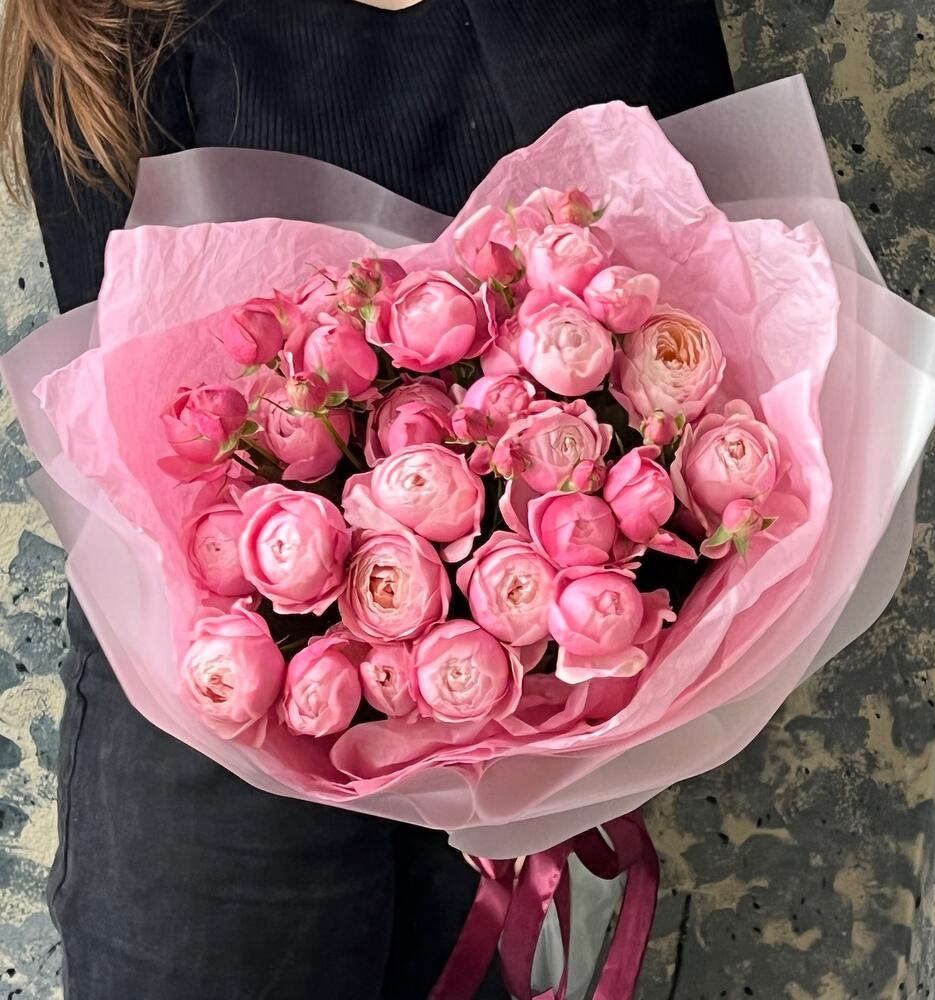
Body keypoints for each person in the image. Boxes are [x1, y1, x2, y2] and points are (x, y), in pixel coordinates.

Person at [0, 2, 734, 996]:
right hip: (214, 670)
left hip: (514, 684)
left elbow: (688, 270)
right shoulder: (106, 19)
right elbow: (129, 397)